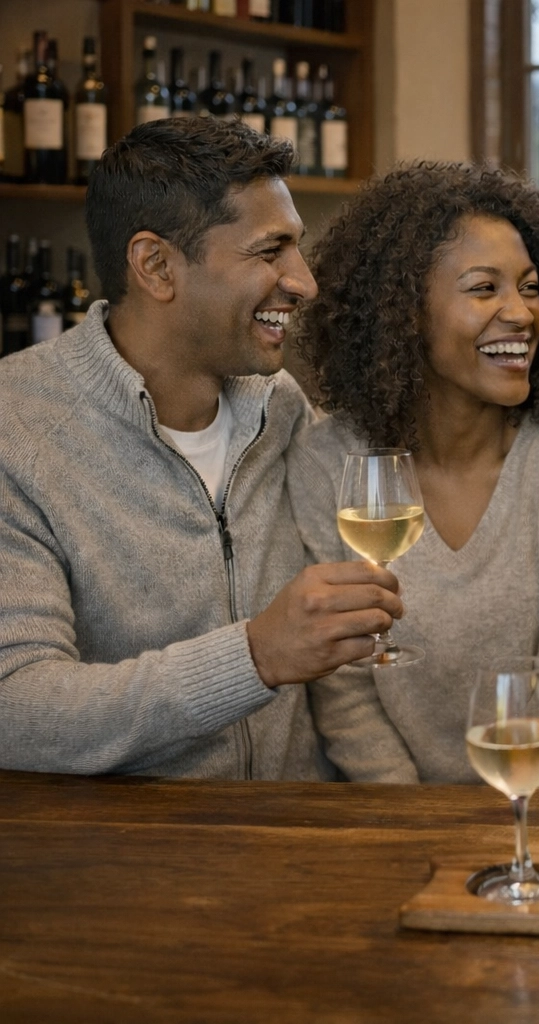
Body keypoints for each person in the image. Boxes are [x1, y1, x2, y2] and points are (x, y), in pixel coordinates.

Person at [0, 118, 401, 779]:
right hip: (133, 857)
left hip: (299, 837)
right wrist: (255, 657)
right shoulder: (19, 430)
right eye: (270, 251)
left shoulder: (281, 405)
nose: (303, 281)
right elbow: (16, 709)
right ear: (157, 266)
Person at [288, 163, 539, 786]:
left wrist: (521, 829)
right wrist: (416, 825)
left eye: (529, 287)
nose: (521, 314)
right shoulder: (324, 460)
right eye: (482, 289)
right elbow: (343, 687)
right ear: (402, 312)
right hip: (391, 828)